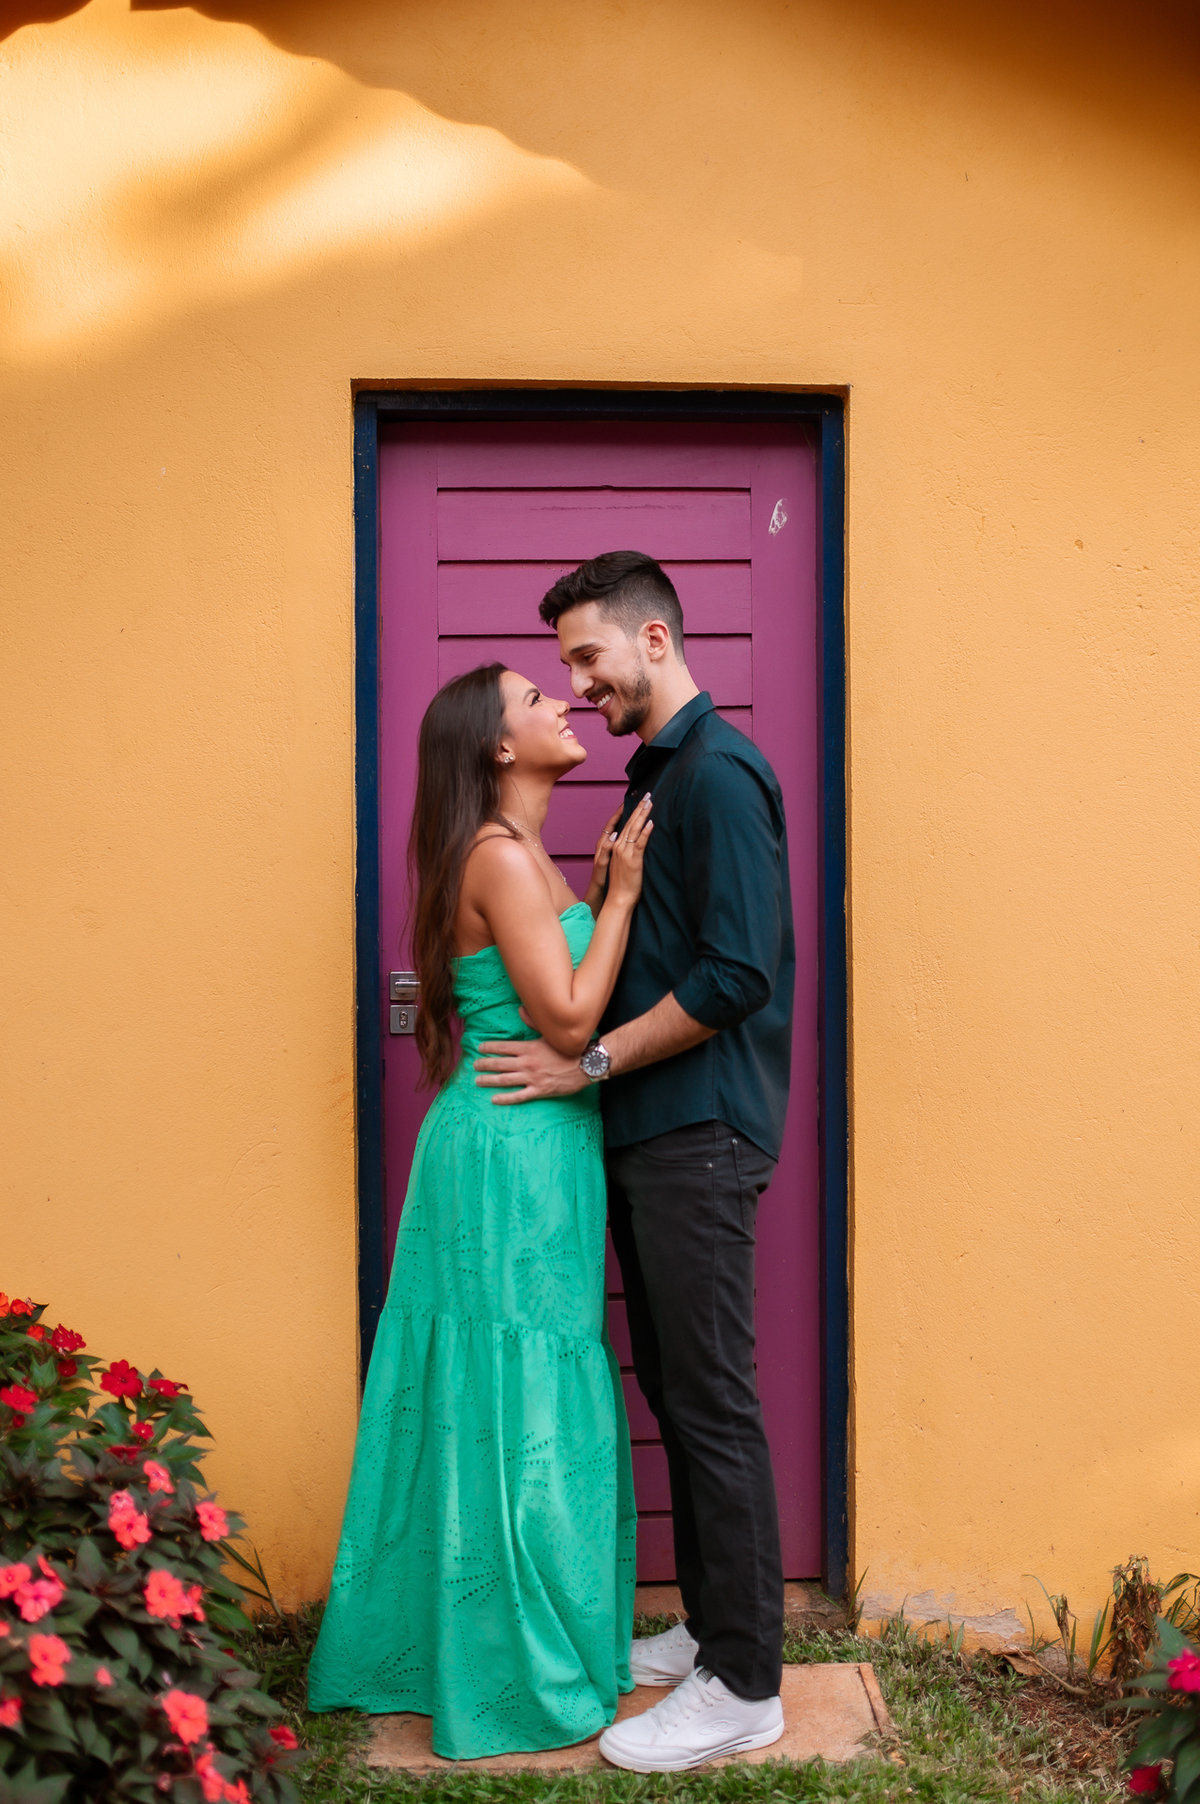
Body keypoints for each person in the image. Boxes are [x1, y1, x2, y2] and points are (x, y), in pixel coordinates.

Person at [473, 552, 795, 1773]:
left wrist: (592, 1063)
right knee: (674, 1383)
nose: (578, 681)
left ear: (654, 641)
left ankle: (748, 1685)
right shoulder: (658, 770)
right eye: (564, 666)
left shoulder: (718, 771)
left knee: (712, 1400)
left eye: (587, 656)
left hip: (701, 1128)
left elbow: (737, 974)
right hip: (659, 1135)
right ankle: (717, 1630)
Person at [307, 661, 654, 1760]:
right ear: (501, 748)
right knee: (517, 1396)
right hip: (512, 1154)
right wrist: (625, 902)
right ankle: (511, 1663)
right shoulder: (500, 858)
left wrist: (592, 896)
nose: (562, 702)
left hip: (516, 1148)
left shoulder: (513, 856)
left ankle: (484, 1634)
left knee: (501, 1391)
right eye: (534, 700)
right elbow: (565, 1018)